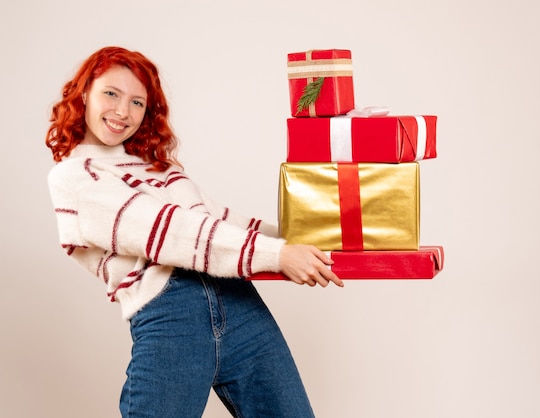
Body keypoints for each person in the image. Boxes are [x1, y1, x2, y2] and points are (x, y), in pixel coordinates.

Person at [45, 46, 343, 418]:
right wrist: (278, 255)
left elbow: (219, 222)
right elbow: (170, 231)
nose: (123, 111)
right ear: (84, 93)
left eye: (138, 102)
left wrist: (306, 236)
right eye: (111, 94)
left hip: (239, 304)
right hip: (172, 318)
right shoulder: (75, 178)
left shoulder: (157, 168)